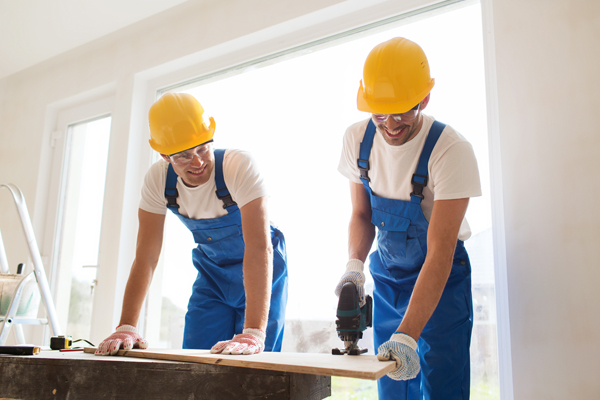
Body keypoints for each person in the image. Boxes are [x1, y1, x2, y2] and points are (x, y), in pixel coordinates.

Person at [335, 37, 481, 399]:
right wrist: (355, 265)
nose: (391, 124)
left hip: (441, 278)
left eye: (401, 111)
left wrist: (409, 333)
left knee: (442, 385)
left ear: (424, 99)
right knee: (393, 386)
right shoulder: (358, 140)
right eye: (380, 113)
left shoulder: (450, 150)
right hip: (388, 277)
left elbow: (441, 249)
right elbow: (360, 213)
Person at [95, 93, 288, 356]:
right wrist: (126, 325)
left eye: (202, 148)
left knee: (257, 366)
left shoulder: (238, 166)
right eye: (184, 156)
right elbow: (146, 257)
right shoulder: (159, 182)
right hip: (212, 275)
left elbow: (258, 247)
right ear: (164, 155)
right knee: (195, 363)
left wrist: (253, 331)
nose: (197, 162)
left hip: (261, 270)